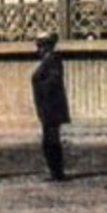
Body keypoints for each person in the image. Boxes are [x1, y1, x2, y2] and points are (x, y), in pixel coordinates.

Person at [31, 33, 71, 181]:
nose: (38, 49)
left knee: (51, 141)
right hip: (47, 108)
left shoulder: (53, 60)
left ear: (47, 46)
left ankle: (57, 172)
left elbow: (53, 81)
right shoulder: (47, 61)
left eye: (41, 46)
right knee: (49, 141)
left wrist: (42, 88)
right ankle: (55, 171)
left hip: (52, 108)